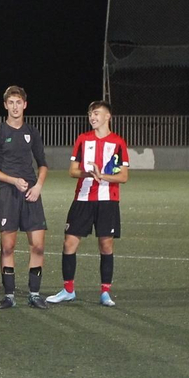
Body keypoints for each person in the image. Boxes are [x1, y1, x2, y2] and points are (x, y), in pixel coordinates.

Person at [46, 101, 129, 307]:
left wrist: (103, 176)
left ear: (108, 116)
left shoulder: (117, 143)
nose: (92, 117)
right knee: (69, 243)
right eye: (91, 114)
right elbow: (72, 171)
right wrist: (88, 173)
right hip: (83, 199)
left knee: (106, 244)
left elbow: (124, 176)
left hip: (107, 200)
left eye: (97, 113)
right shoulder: (83, 140)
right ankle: (68, 290)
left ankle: (105, 292)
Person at [0, 85, 49, 309]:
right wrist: (12, 180)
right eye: (10, 103)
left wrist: (38, 185)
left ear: (25, 104)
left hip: (31, 194)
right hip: (8, 194)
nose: (15, 107)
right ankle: (9, 296)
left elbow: (42, 164)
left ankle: (34, 293)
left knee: (38, 246)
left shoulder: (32, 132)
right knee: (8, 247)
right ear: (5, 105)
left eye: (18, 102)